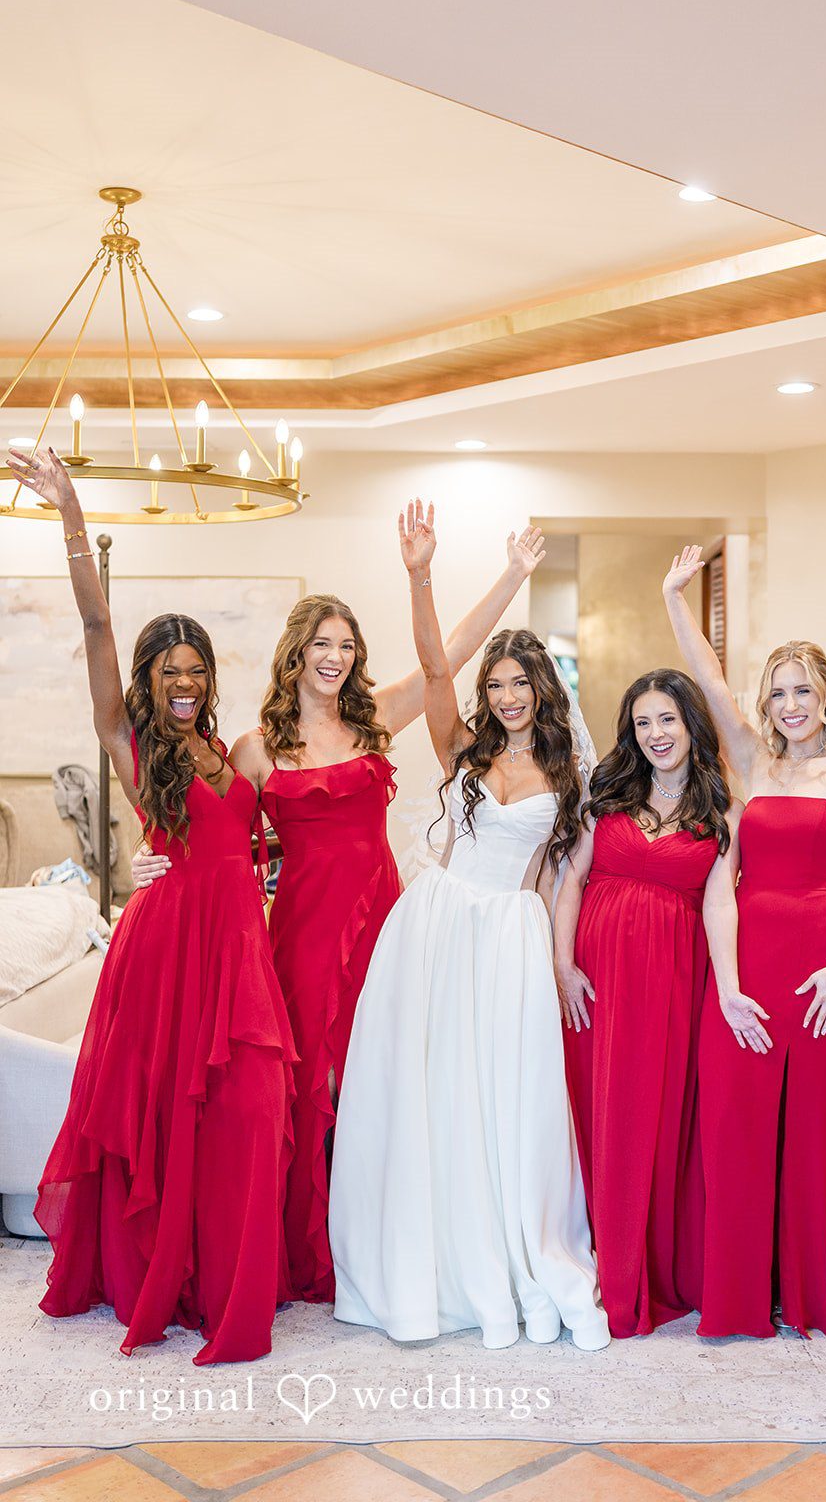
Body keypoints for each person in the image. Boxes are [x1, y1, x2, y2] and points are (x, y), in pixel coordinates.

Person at [130, 507, 547, 1304]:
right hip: (298, 935)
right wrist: (152, 862)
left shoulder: (375, 718)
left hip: (385, 925)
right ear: (296, 654)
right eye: (322, 644)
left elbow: (449, 656)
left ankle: (380, 1240)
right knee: (307, 1088)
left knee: (382, 1080)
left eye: (346, 645)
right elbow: (210, 829)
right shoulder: (252, 749)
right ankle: (305, 1249)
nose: (335, 656)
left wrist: (499, 576)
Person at [8, 444, 295, 1365]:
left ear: (210, 676)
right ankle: (159, 1270)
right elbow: (96, 625)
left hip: (236, 945)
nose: (183, 682)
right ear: (148, 676)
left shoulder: (232, 749)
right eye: (168, 670)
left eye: (195, 670)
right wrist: (71, 514)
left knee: (247, 1106)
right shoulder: (131, 740)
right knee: (168, 1110)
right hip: (167, 945)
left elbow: (277, 829)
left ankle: (227, 1272)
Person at [329, 503, 609, 1350]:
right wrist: (420, 574)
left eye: (520, 683)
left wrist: (561, 963)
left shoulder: (570, 771)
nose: (508, 696)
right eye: (496, 685)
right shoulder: (464, 751)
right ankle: (436, 1252)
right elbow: (429, 663)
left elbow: (568, 877)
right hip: (438, 927)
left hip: (514, 939)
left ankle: (516, 1244)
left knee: (505, 1095)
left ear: (543, 690)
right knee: (432, 1089)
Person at [664, 546, 826, 1344]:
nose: (791, 704)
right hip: (747, 963)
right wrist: (724, 983)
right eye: (779, 693)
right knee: (737, 1123)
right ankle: (736, 1295)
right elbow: (719, 885)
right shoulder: (751, 764)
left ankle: (820, 1291)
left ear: (825, 698)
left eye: (803, 690)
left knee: (825, 1133)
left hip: (825, 967)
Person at [555, 669, 732, 1337]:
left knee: (652, 1117)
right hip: (595, 984)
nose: (655, 734)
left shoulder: (721, 813)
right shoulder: (605, 796)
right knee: (596, 1114)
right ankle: (596, 1253)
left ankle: (646, 1265)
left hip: (669, 988)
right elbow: (571, 880)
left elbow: (720, 904)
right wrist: (561, 963)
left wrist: (731, 986)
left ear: (690, 725)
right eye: (642, 723)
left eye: (666, 720)